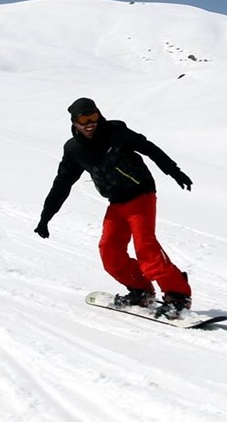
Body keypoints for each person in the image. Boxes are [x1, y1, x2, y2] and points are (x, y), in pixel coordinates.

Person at [35, 97, 194, 319]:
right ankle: (140, 290)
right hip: (117, 202)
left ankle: (178, 295)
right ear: (74, 122)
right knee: (109, 251)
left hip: (141, 195)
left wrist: (174, 171)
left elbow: (149, 148)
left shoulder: (116, 131)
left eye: (94, 117)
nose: (90, 123)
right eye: (84, 119)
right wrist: (46, 218)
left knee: (146, 248)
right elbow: (62, 184)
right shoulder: (74, 149)